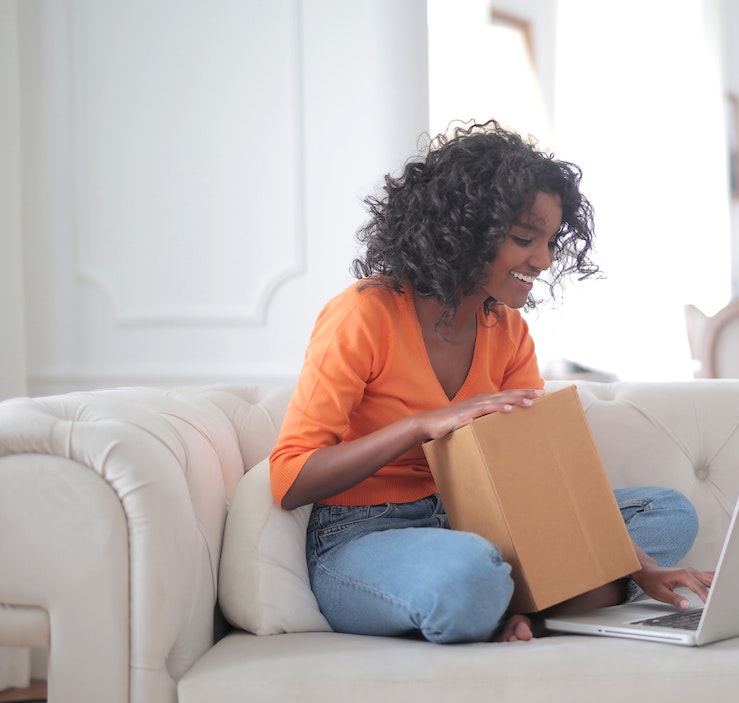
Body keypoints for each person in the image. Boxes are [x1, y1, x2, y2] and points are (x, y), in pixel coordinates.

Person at [269, 120, 713, 644]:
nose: (544, 260)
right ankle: (538, 602)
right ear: (463, 229)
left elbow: (542, 474)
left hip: (475, 522)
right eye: (526, 238)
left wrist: (642, 569)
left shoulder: (507, 330)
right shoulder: (364, 314)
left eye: (550, 241)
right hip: (364, 534)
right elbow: (291, 480)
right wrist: (420, 426)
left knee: (666, 512)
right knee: (468, 572)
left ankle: (521, 615)